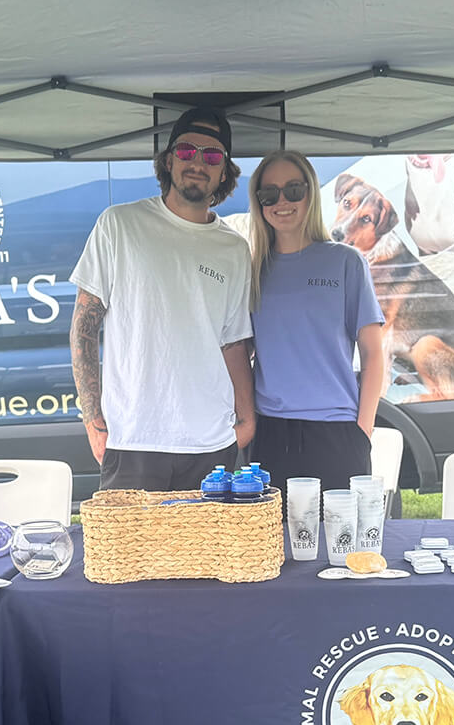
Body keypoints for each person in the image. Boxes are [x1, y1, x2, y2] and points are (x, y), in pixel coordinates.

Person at [69, 106, 255, 491]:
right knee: (128, 553)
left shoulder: (234, 249)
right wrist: (93, 420)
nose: (198, 163)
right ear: (168, 161)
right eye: (187, 151)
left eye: (213, 156)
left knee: (206, 554)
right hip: (133, 438)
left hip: (211, 443)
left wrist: (246, 419)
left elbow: (234, 342)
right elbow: (84, 327)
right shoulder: (119, 225)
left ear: (224, 172)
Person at [245, 150, 385, 494]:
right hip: (270, 436)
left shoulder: (346, 263)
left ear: (311, 194)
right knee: (272, 546)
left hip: (338, 433)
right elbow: (237, 354)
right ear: (259, 202)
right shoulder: (251, 272)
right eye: (269, 194)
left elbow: (373, 355)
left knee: (341, 548)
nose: (282, 201)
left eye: (294, 190)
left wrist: (362, 431)